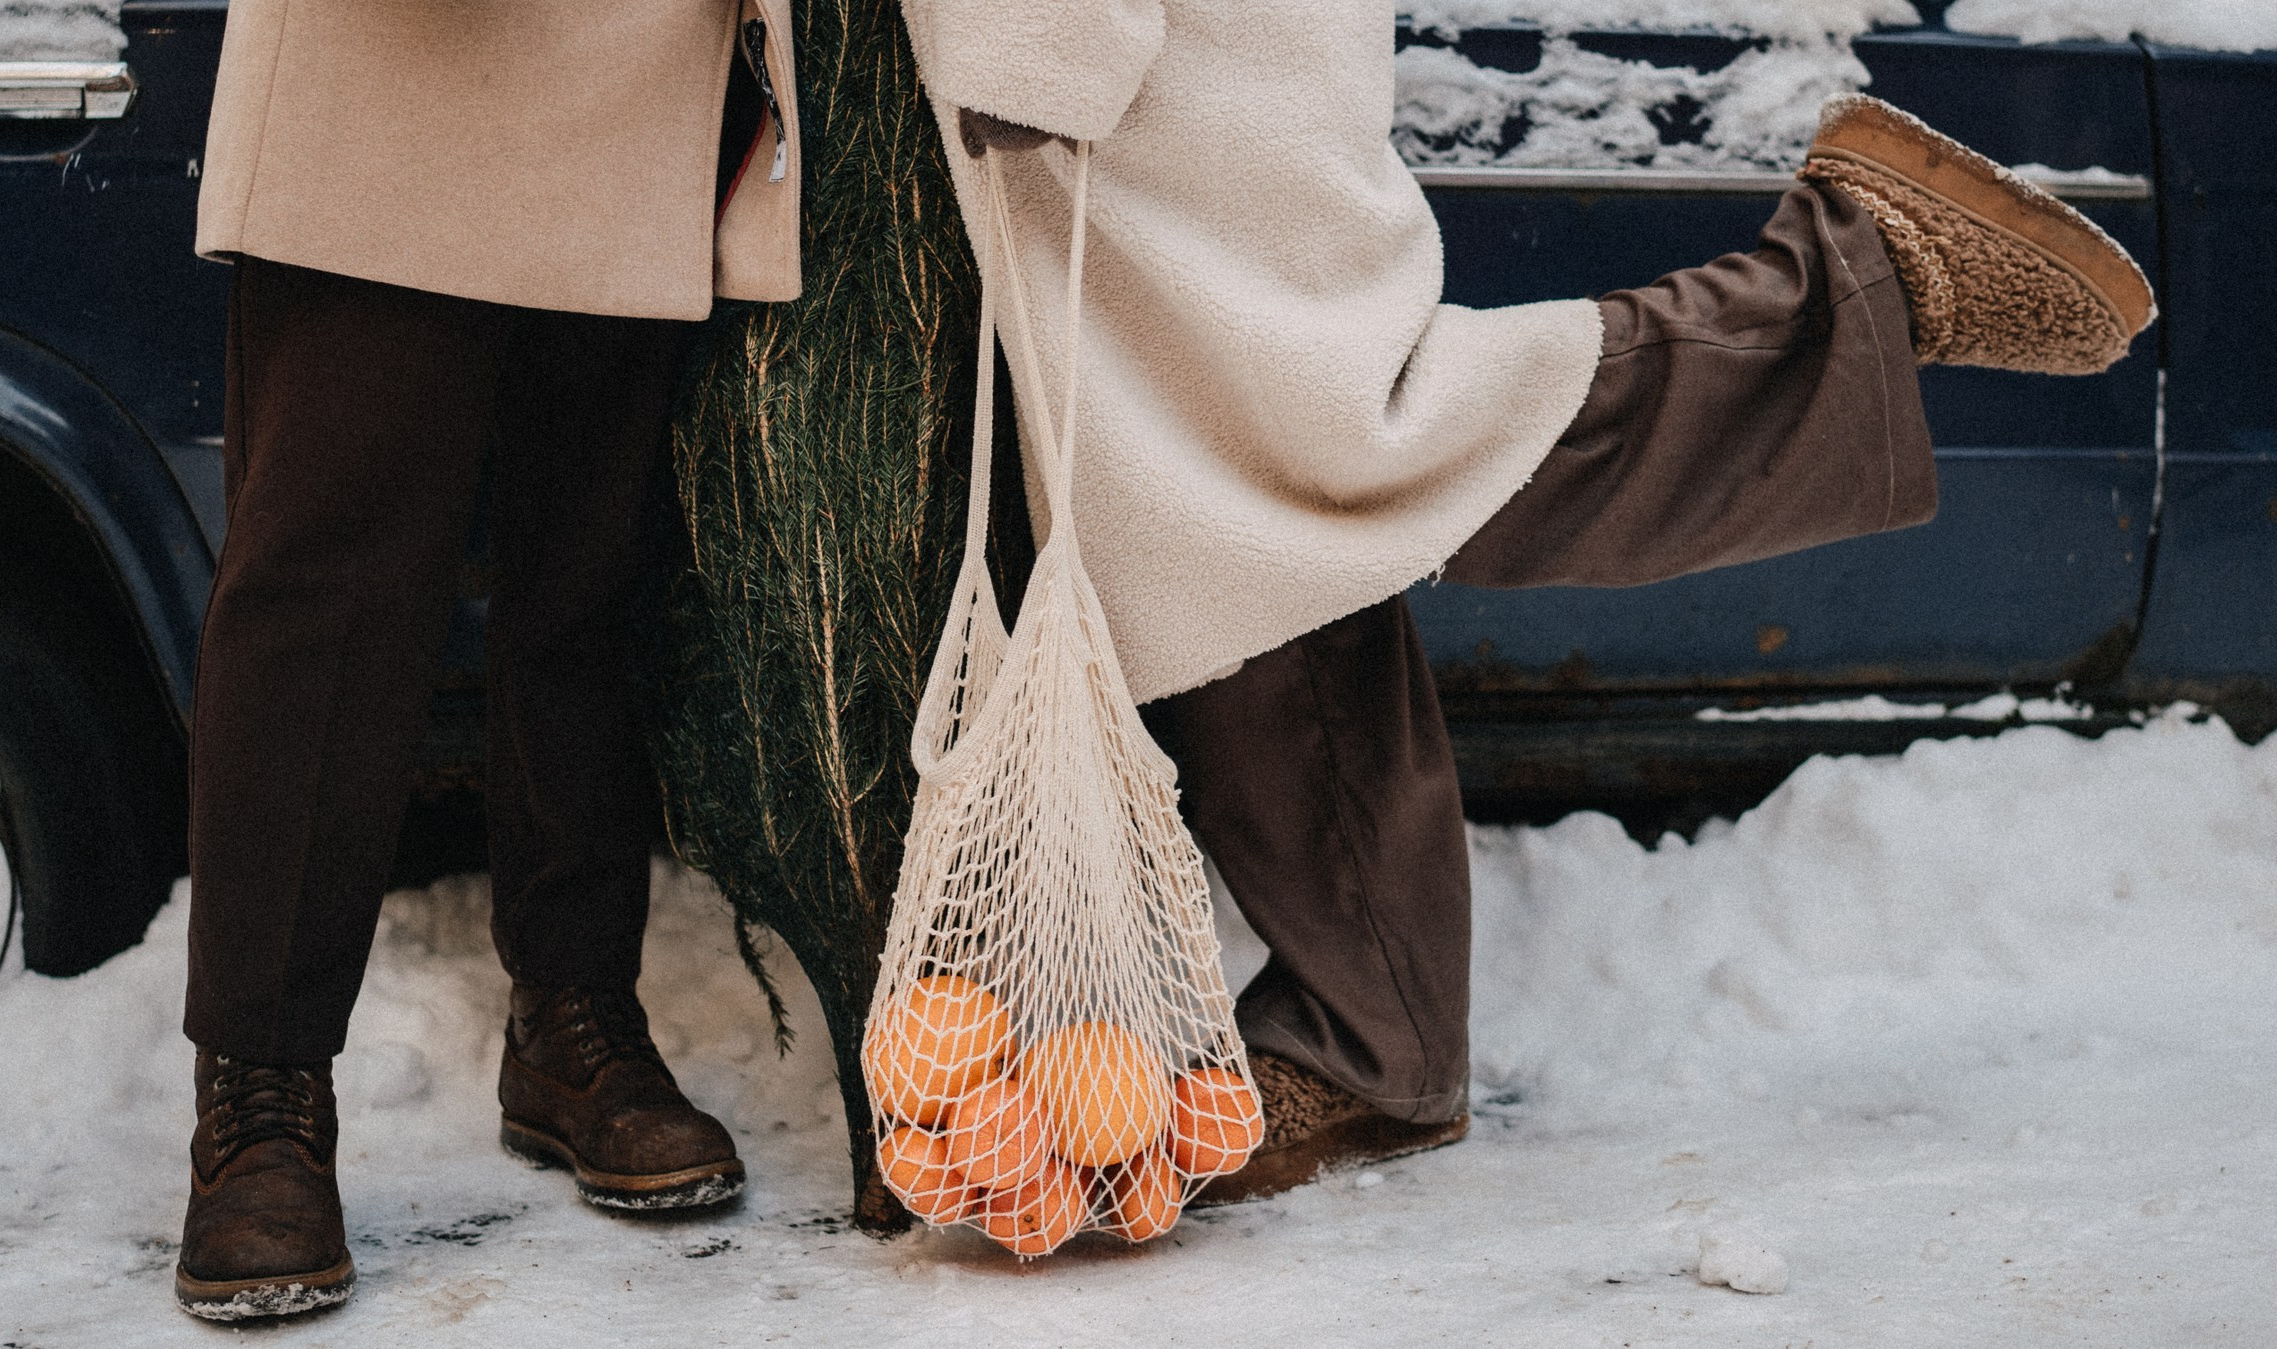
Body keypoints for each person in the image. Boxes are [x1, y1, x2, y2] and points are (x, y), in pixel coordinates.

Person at [910, 0, 2154, 1207]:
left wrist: (1033, 30)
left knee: (1342, 451)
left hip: (1145, 73)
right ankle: (1372, 1035)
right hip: (1162, 76)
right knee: (1218, 517)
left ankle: (1857, 271)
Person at [169, 0, 805, 1320]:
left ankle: (574, 1023)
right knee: (325, 596)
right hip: (388, 66)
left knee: (588, 584)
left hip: (638, 79)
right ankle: (262, 1095)